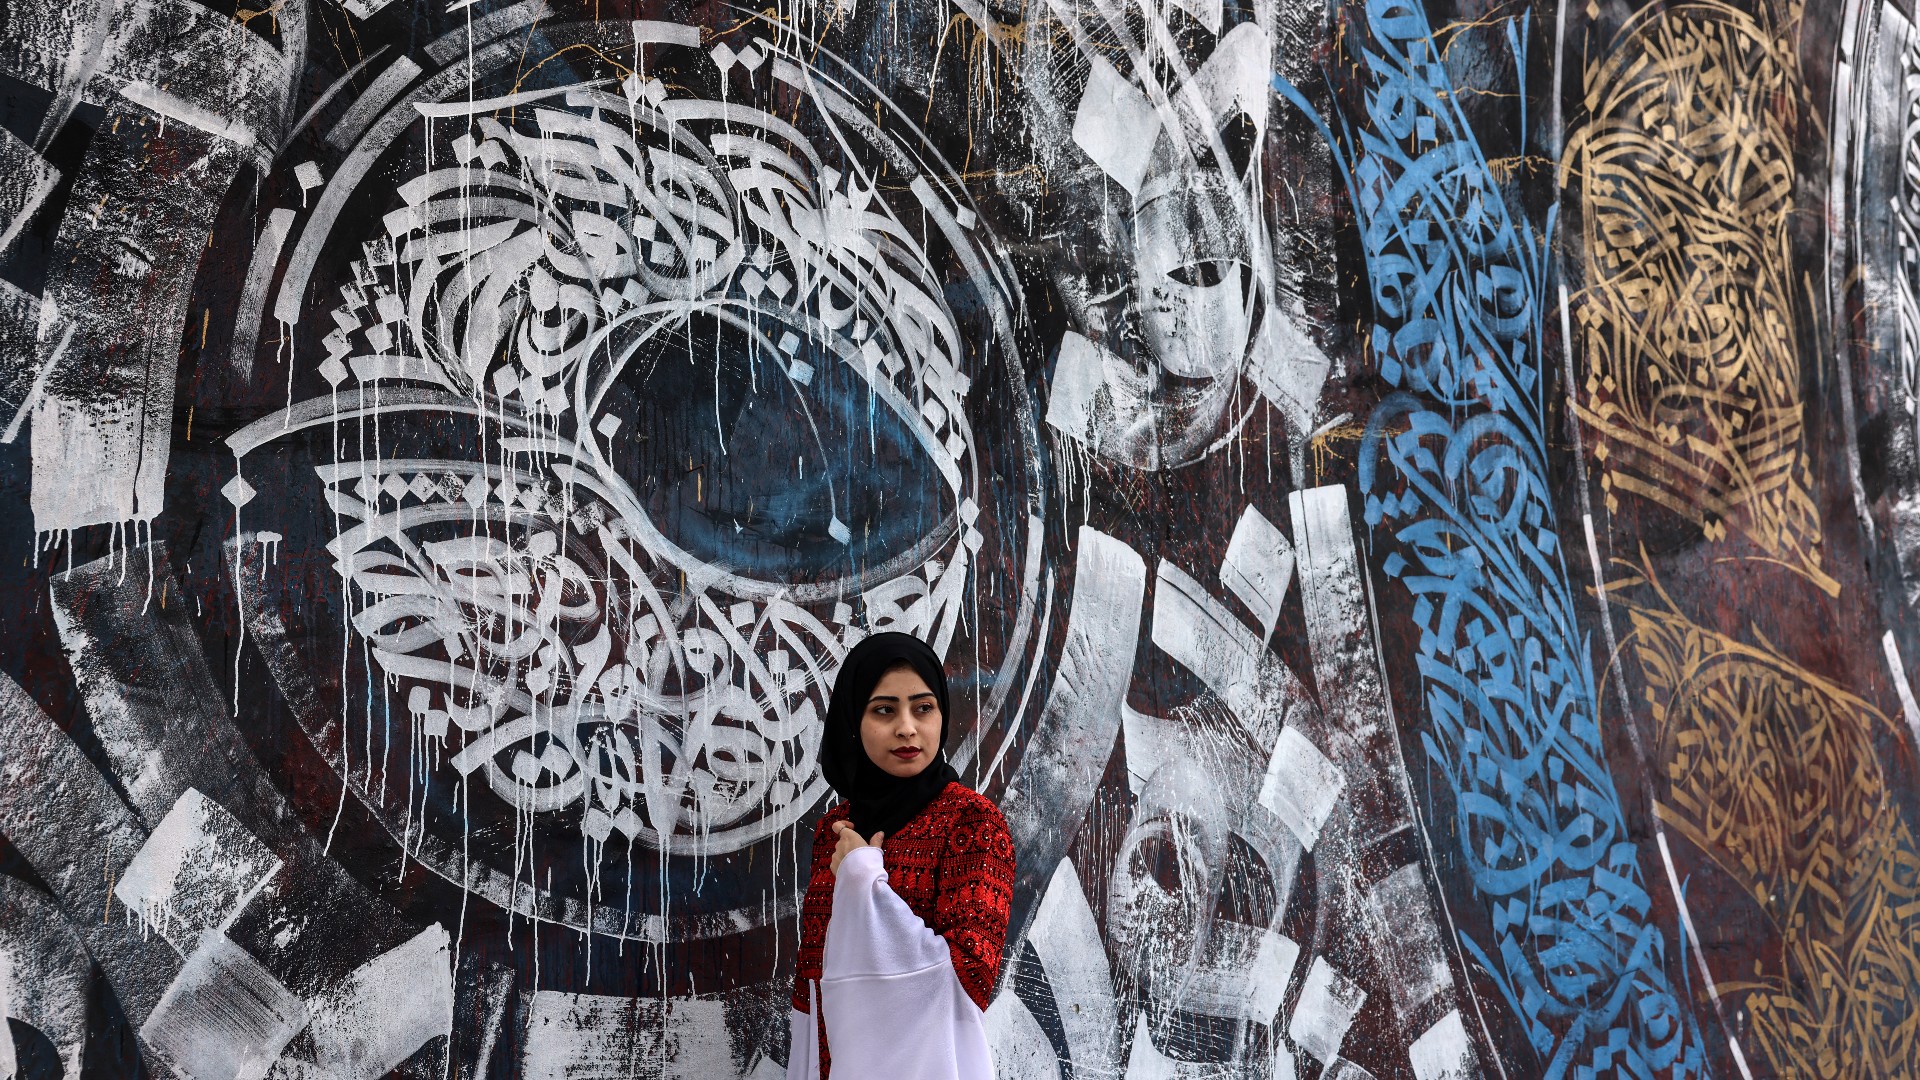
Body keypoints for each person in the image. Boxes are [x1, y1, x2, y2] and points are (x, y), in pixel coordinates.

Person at [787, 632, 1017, 1079]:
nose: (907, 727)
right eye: (884, 710)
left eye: (923, 707)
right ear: (854, 720)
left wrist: (863, 879)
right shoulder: (837, 828)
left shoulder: (971, 822)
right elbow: (813, 976)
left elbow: (970, 978)